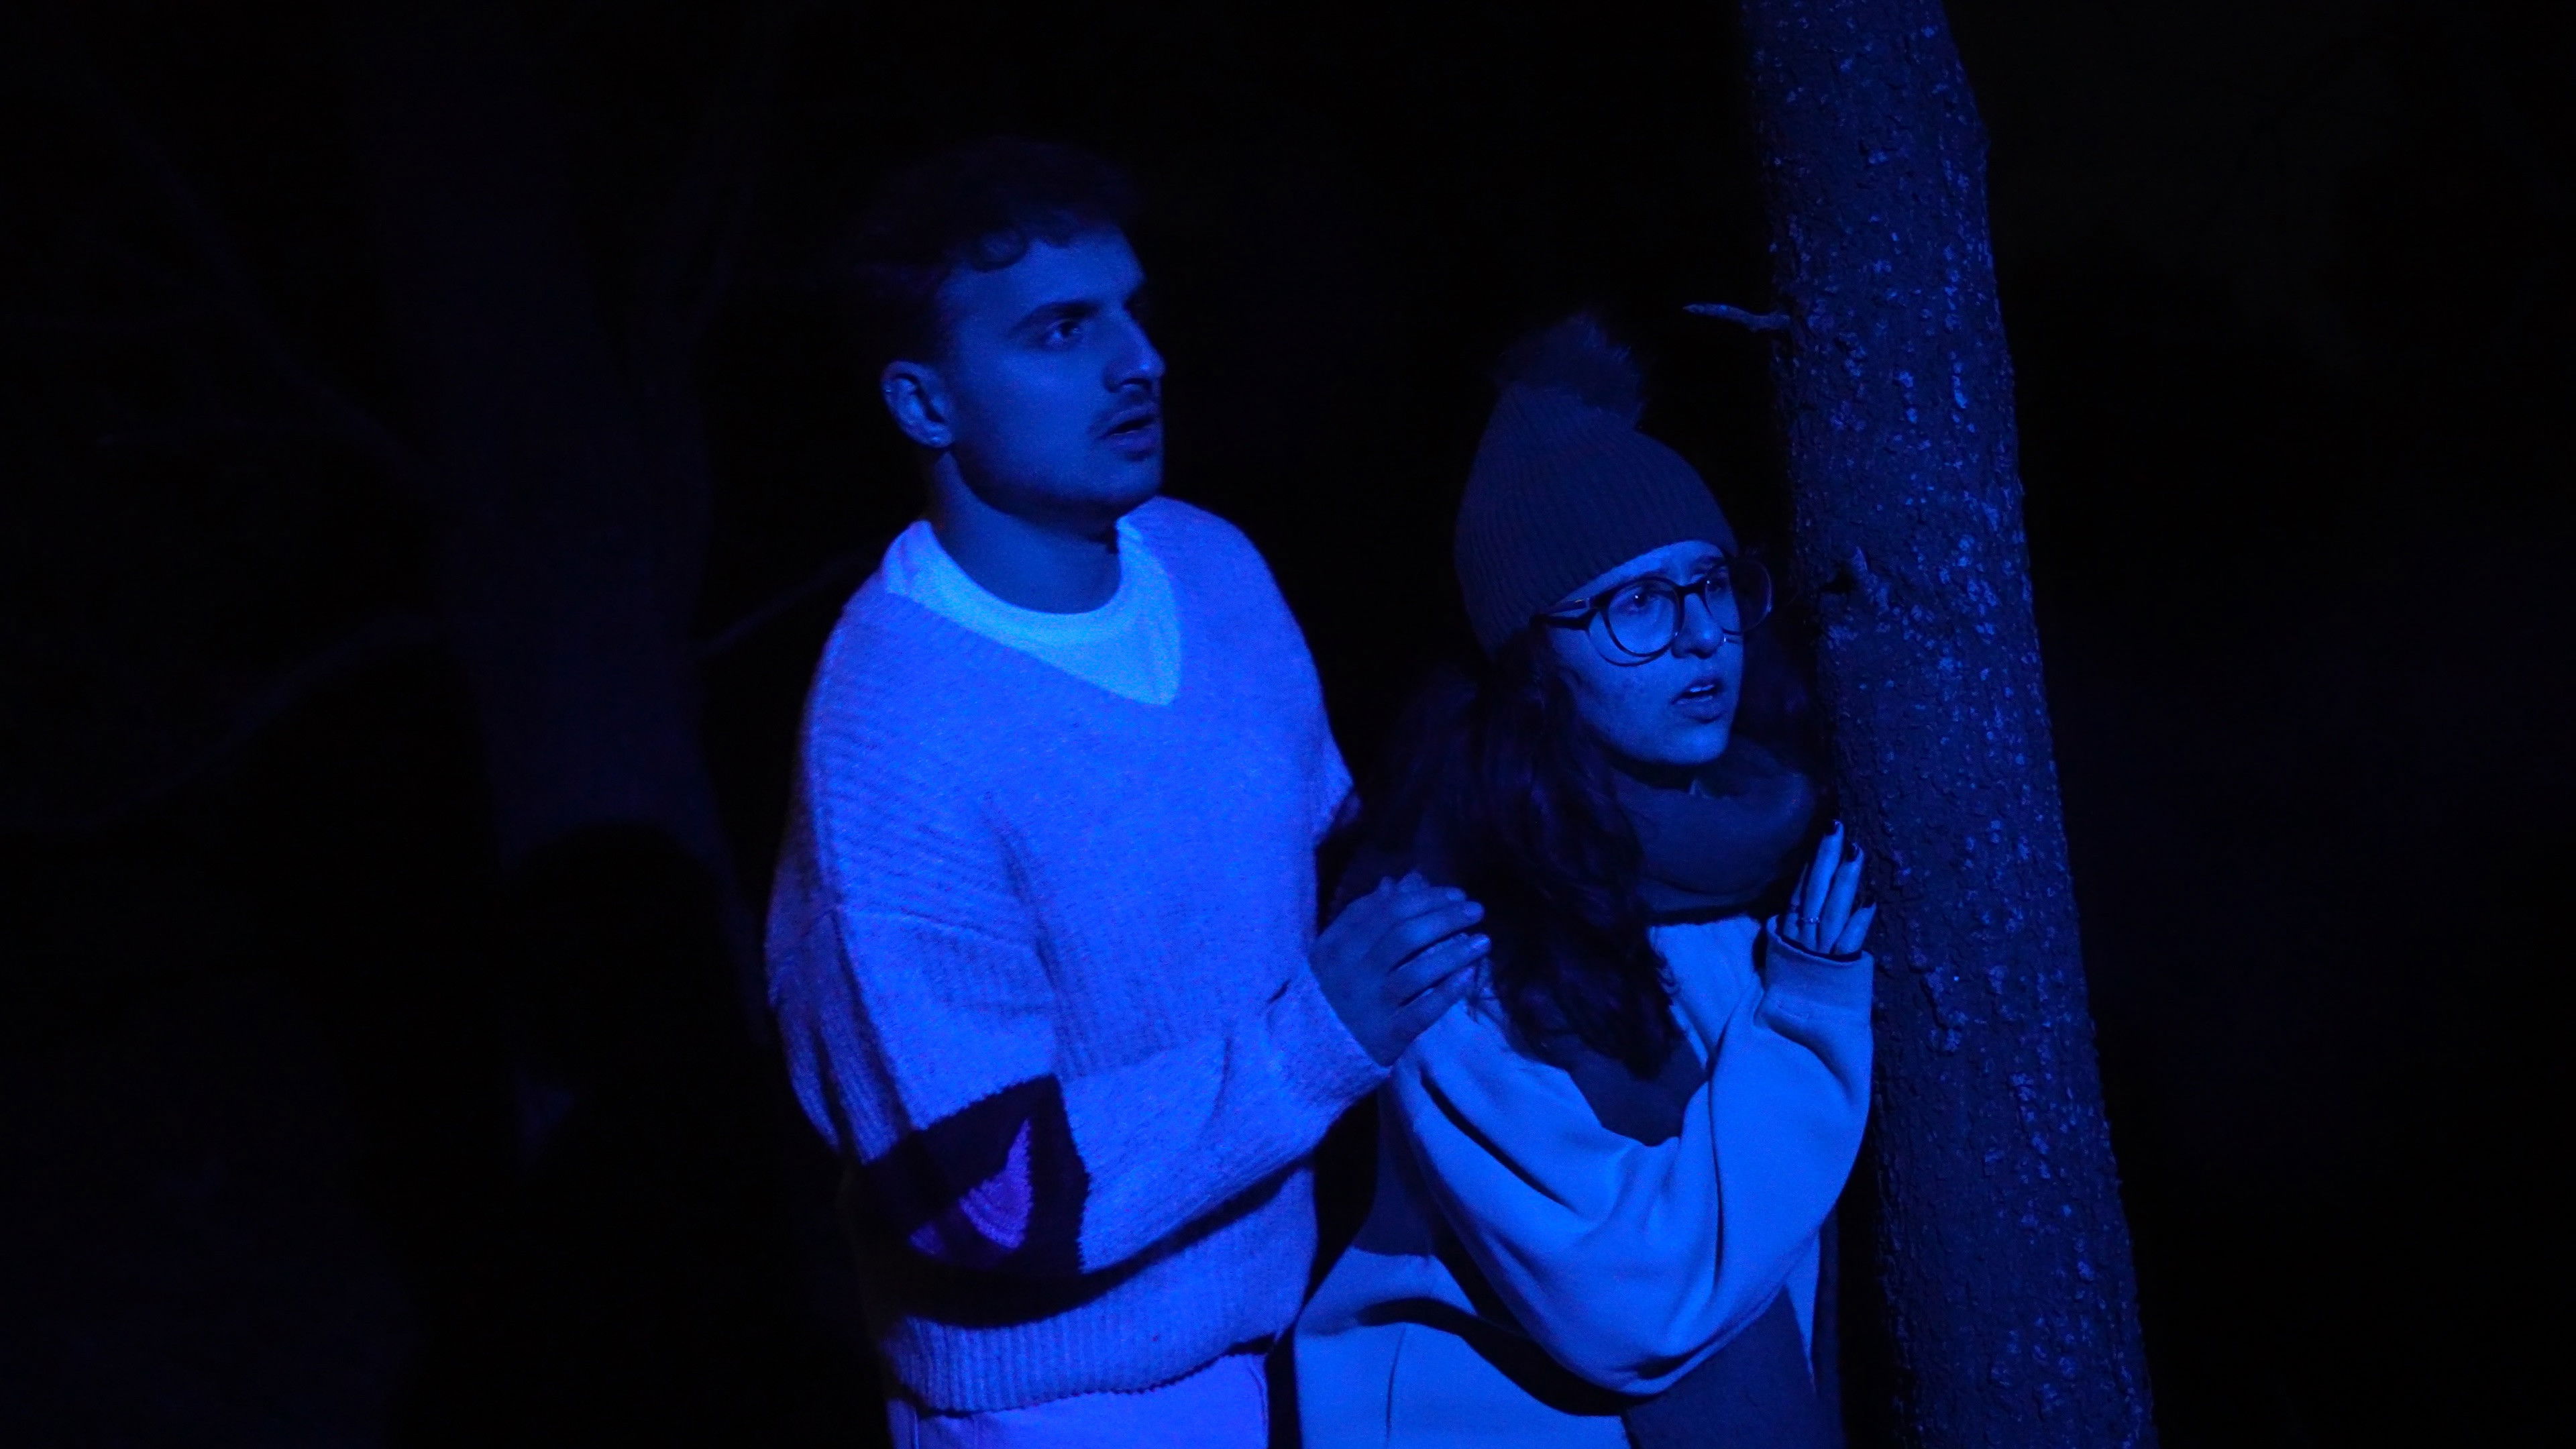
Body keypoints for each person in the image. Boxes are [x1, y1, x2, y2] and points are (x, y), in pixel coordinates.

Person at [764, 138, 1487, 1447]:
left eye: (1132, 311)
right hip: (1062, 1405)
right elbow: (981, 1195)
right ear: (925, 404)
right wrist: (1313, 1044)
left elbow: (1327, 867)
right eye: (1061, 330)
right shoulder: (894, 739)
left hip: (1285, 1336)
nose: (1139, 360)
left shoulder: (1211, 567)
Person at [1294, 315, 1878, 1447]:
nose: (1700, 636)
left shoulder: (1755, 855)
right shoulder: (1457, 932)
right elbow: (1632, 1304)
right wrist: (1806, 1024)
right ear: (1534, 655)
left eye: (1710, 583)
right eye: (1635, 604)